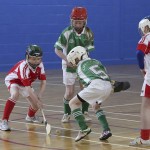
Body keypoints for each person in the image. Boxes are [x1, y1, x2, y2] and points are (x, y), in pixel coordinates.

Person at [67, 46, 130, 142]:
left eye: (73, 61)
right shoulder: (96, 61)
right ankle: (106, 130)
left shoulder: (79, 68)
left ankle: (84, 129)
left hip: (95, 86)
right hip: (107, 85)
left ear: (77, 58)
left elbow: (85, 84)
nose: (74, 63)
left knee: (73, 103)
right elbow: (104, 74)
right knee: (95, 106)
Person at [54, 6, 94, 123]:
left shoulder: (88, 33)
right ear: (72, 21)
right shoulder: (66, 32)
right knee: (69, 92)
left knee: (85, 88)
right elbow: (57, 49)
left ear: (85, 21)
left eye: (80, 22)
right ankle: (67, 113)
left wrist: (84, 62)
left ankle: (85, 112)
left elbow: (88, 51)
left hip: (82, 65)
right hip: (68, 65)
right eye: (75, 22)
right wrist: (67, 60)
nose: (77, 24)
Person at [0, 45, 46, 131]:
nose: (36, 62)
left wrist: (39, 96)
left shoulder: (40, 65)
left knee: (35, 105)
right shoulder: (23, 67)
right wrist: (37, 100)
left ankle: (30, 117)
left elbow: (43, 82)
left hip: (25, 83)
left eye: (38, 59)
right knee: (15, 94)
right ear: (27, 57)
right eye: (33, 59)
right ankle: (4, 121)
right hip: (13, 81)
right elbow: (28, 88)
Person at [130, 16, 150, 146]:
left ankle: (145, 139)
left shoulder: (147, 37)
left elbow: (139, 53)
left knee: (146, 107)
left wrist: (142, 68)